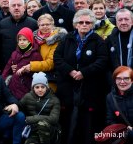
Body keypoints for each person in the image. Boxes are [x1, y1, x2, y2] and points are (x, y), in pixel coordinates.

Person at [54, 9, 109, 144]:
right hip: (68, 87)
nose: (84, 24)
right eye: (81, 22)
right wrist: (70, 71)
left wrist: (84, 72)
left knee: (87, 124)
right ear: (75, 24)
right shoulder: (67, 38)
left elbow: (102, 61)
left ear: (92, 24)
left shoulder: (98, 41)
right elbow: (57, 57)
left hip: (89, 88)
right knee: (68, 122)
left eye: (87, 22)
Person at [17, 14, 67, 92]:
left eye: (48, 24)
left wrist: (31, 66)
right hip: (30, 76)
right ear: (38, 26)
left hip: (49, 79)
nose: (45, 27)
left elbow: (50, 63)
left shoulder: (57, 40)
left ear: (52, 24)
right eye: (42, 25)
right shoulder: (33, 38)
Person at [0, 0, 38, 71]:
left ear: (24, 8)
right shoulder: (3, 23)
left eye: (19, 5)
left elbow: (36, 47)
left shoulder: (33, 23)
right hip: (7, 66)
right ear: (9, 8)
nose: (16, 8)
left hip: (27, 67)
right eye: (13, 5)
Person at [20, 72, 60, 144]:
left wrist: (31, 118)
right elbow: (19, 107)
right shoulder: (28, 96)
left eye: (43, 87)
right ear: (33, 88)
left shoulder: (54, 100)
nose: (40, 90)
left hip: (49, 131)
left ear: (47, 87)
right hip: (33, 131)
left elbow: (54, 119)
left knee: (42, 124)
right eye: (37, 87)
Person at [2, 27, 42, 100]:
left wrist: (28, 70)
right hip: (13, 88)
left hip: (27, 89)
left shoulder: (35, 55)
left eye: (24, 40)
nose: (21, 42)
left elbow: (39, 73)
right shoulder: (14, 53)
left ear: (30, 41)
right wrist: (2, 82)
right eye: (19, 40)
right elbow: (7, 69)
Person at [106, 66, 133, 143]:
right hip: (123, 138)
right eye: (118, 79)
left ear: (132, 80)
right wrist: (123, 130)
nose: (122, 82)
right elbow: (110, 120)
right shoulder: (110, 97)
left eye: (126, 78)